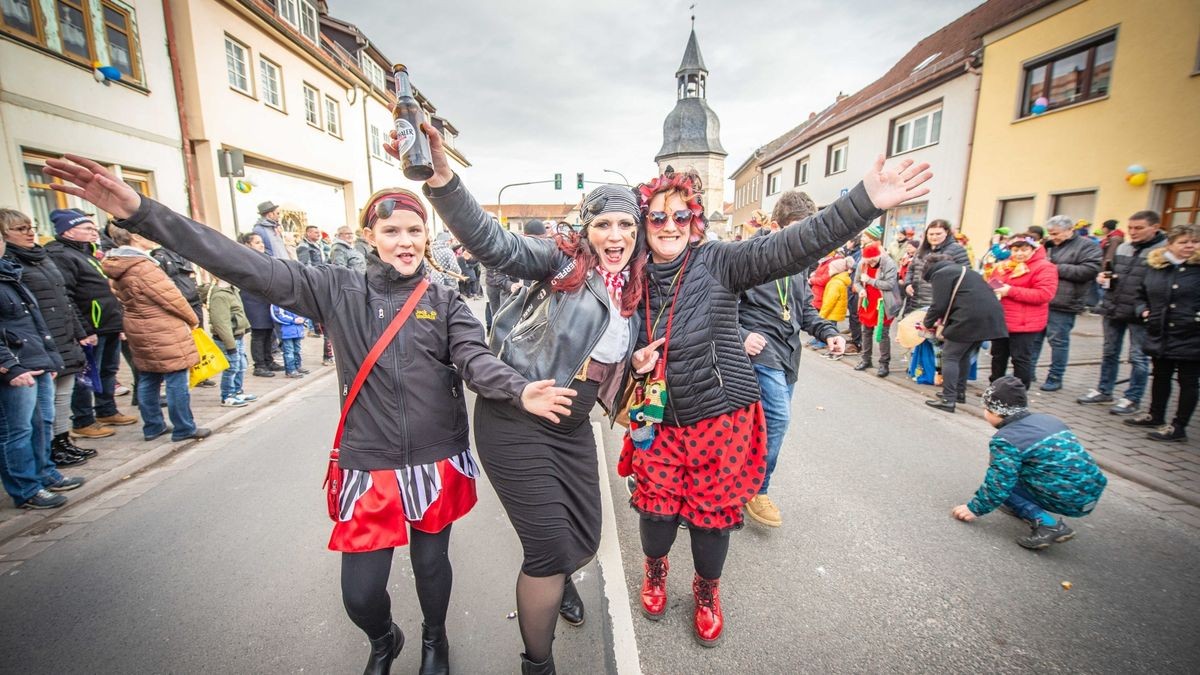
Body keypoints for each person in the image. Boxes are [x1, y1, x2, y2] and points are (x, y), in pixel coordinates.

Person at [44, 154, 571, 675]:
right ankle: (384, 639)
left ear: (426, 236)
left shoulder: (446, 299)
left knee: (432, 566)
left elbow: (473, 359)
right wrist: (141, 212)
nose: (405, 241)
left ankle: (436, 640)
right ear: (371, 235)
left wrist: (517, 390)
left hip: (436, 458)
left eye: (414, 230)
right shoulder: (334, 288)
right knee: (360, 594)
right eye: (391, 230)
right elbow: (237, 261)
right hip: (369, 464)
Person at [623, 156, 929, 649]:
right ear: (644, 224)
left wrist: (865, 200)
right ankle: (655, 573)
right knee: (655, 516)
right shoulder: (629, 277)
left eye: (681, 216)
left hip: (720, 418)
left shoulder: (719, 260)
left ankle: (706, 592)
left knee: (710, 519)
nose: (669, 226)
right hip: (656, 419)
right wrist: (631, 365)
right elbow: (605, 344)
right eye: (657, 217)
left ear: (696, 221)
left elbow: (793, 245)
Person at [418, 131, 645, 675]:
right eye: (604, 225)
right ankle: (537, 665)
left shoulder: (635, 287)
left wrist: (633, 367)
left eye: (626, 226)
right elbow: (496, 244)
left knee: (584, 538)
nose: (616, 236)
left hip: (572, 427)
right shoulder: (560, 264)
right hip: (516, 420)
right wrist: (444, 182)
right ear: (586, 231)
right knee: (546, 551)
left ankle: (563, 574)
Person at [738, 189, 846, 528]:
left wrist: (828, 332)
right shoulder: (747, 257)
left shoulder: (799, 263)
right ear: (775, 226)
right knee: (779, 419)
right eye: (799, 230)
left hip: (788, 356)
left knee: (756, 428)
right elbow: (719, 303)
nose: (805, 239)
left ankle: (738, 485)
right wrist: (742, 334)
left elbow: (804, 310)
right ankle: (758, 490)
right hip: (759, 353)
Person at [952, 376, 1107, 549]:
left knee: (1004, 484)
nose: (984, 413)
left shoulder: (1007, 439)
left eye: (986, 408)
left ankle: (1047, 523)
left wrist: (974, 508)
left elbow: (999, 483)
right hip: (1091, 491)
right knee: (1021, 471)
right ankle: (1024, 506)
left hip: (1070, 499)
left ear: (996, 411)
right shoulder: (1050, 420)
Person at [1, 209, 97, 467]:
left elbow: (64, 298)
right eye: (21, 229)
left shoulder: (41, 257)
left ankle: (63, 441)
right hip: (36, 341)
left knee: (64, 393)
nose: (30, 232)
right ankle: (51, 449)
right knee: (44, 405)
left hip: (61, 335)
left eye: (30, 226)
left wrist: (80, 331)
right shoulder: (13, 264)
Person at [100, 225, 209, 443]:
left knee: (148, 377)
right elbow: (172, 298)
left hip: (137, 324)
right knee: (176, 377)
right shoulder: (143, 266)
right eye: (146, 234)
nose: (152, 237)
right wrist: (192, 319)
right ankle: (184, 427)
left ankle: (153, 426)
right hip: (161, 326)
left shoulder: (116, 264)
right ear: (135, 237)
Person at [0, 234, 85, 510]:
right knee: (17, 430)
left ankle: (45, 473)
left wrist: (49, 360)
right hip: (15, 368)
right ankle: (26, 489)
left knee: (41, 423)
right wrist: (9, 366)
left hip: (36, 359)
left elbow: (35, 323)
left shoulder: (11, 273)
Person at [44, 209, 136, 438]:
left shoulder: (89, 252)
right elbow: (67, 296)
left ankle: (106, 410)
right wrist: (83, 330)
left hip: (109, 323)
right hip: (90, 327)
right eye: (87, 228)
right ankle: (83, 420)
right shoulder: (62, 256)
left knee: (108, 370)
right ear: (69, 231)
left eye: (93, 227)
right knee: (85, 376)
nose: (94, 231)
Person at [1077, 211, 1165, 415]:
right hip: (1114, 306)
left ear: (1155, 227)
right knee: (1109, 352)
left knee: (1138, 356)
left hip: (1140, 311)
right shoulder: (1123, 246)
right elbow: (1113, 271)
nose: (1133, 232)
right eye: (1131, 228)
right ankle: (1104, 390)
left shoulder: (1162, 251)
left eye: (1139, 228)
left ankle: (1132, 398)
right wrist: (1105, 277)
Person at [1124, 224, 1200, 443]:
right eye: (1183, 242)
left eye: (1194, 242)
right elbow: (1141, 295)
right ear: (1170, 244)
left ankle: (1179, 426)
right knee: (1160, 376)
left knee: (1188, 381)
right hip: (1161, 332)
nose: (1189, 246)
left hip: (1191, 334)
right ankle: (1155, 414)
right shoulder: (1157, 266)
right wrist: (1144, 311)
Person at [921, 252, 1008, 412]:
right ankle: (958, 393)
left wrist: (926, 323)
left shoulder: (941, 274)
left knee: (950, 356)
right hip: (989, 317)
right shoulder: (964, 270)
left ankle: (948, 399)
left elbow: (939, 305)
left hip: (969, 317)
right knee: (963, 355)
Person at [1036, 215, 1102, 391]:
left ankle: (1055, 377)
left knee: (1058, 342)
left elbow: (1090, 270)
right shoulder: (1047, 245)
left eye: (1056, 233)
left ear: (1069, 230)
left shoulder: (1087, 246)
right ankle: (1027, 372)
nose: (1052, 237)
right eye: (1050, 233)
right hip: (1041, 299)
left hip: (1065, 302)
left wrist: (1054, 268)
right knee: (1034, 340)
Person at [987, 234, 1057, 389]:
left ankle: (1019, 393)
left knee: (1020, 359)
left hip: (1025, 323)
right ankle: (995, 389)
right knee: (998, 356)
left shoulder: (1044, 267)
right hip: (1002, 320)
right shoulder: (1003, 266)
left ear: (1033, 249)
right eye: (1015, 249)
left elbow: (1044, 294)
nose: (1019, 253)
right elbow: (993, 283)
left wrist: (1010, 291)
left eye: (1024, 249)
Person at [236, 233, 284, 377]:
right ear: (248, 245)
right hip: (253, 300)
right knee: (259, 333)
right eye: (257, 242)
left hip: (266, 299)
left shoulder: (266, 257)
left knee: (269, 332)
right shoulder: (245, 260)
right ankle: (259, 365)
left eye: (261, 242)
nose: (261, 245)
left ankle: (269, 360)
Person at [852, 241, 902, 378]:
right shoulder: (862, 264)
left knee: (883, 334)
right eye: (867, 261)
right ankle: (866, 359)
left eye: (872, 261)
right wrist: (861, 290)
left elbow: (890, 284)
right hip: (867, 303)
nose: (870, 264)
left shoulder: (889, 264)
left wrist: (869, 280)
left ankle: (884, 363)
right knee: (866, 332)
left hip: (884, 304)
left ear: (878, 257)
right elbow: (856, 282)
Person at [207, 278, 255, 407]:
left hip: (237, 336)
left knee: (241, 365)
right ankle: (227, 396)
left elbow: (239, 312)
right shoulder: (220, 296)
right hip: (228, 338)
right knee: (231, 367)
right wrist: (230, 344)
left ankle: (237, 391)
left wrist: (245, 327)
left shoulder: (233, 290)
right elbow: (221, 323)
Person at [903, 219, 970, 308]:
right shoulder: (921, 250)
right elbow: (911, 270)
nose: (934, 237)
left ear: (946, 233)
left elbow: (965, 275)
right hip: (915, 300)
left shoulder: (956, 250)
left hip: (937, 303)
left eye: (938, 234)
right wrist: (907, 284)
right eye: (931, 234)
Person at [270, 303, 308, 378]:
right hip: (286, 331)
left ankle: (297, 366)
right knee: (289, 351)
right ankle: (290, 370)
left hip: (297, 330)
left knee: (297, 350)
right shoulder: (278, 301)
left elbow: (305, 311)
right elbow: (277, 315)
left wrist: (303, 319)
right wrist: (293, 320)